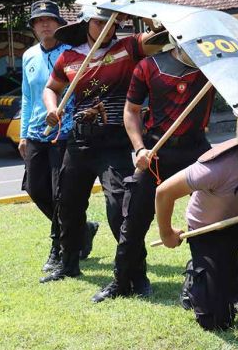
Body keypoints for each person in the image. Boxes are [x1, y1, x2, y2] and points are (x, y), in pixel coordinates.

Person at [40, 5, 166, 283]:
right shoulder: (69, 58)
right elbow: (51, 88)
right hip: (80, 140)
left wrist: (142, 13)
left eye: (113, 22)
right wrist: (52, 108)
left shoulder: (129, 47)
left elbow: (162, 36)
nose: (108, 28)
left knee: (120, 206)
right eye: (100, 22)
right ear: (87, 23)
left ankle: (134, 274)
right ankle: (68, 263)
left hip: (117, 140)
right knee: (68, 204)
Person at [91, 42, 215, 302]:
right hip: (156, 153)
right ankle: (122, 281)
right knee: (133, 219)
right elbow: (131, 111)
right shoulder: (148, 66)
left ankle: (223, 284)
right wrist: (138, 149)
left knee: (212, 221)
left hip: (198, 152)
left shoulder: (214, 65)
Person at [154, 120, 238, 330]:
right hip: (208, 229)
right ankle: (197, 273)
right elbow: (164, 192)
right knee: (215, 321)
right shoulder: (217, 167)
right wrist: (166, 233)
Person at [19, 0, 99, 273]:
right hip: (35, 133)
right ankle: (82, 228)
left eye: (50, 20)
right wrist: (22, 135)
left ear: (59, 25)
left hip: (65, 134)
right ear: (33, 27)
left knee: (60, 194)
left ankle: (59, 246)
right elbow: (27, 97)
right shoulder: (28, 55)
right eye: (39, 21)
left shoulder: (73, 54)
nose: (44, 25)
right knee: (35, 188)